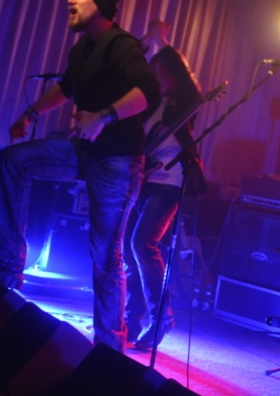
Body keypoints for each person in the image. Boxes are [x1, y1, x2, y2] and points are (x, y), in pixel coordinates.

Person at [0, 0, 160, 353]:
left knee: (105, 256)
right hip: (85, 152)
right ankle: (8, 260)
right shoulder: (83, 49)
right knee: (16, 159)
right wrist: (30, 114)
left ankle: (109, 347)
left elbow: (148, 91)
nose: (69, 0)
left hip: (118, 161)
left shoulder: (121, 45)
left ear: (99, 3)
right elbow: (67, 88)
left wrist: (103, 116)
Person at [125, 37, 207, 350]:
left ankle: (161, 317)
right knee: (129, 252)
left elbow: (191, 98)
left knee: (143, 243)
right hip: (143, 181)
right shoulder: (151, 105)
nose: (156, 79)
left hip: (169, 182)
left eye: (161, 74)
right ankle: (131, 321)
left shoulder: (183, 103)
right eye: (154, 74)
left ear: (174, 75)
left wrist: (160, 39)